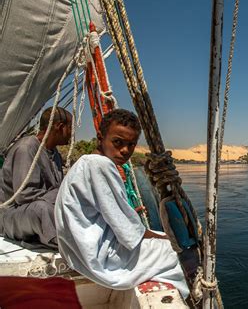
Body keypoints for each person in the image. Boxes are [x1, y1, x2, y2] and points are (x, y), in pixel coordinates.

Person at [55, 109, 189, 299]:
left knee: (162, 238)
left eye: (131, 144)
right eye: (118, 142)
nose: (125, 150)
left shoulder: (85, 163)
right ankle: (187, 297)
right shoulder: (101, 165)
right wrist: (169, 241)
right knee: (178, 252)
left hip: (78, 254)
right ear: (100, 137)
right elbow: (130, 233)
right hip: (100, 260)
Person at [0, 107, 72, 249]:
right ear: (60, 127)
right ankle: (67, 246)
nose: (72, 133)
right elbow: (24, 195)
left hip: (41, 211)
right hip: (13, 216)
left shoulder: (55, 154)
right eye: (70, 128)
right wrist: (60, 194)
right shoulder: (26, 148)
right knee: (41, 209)